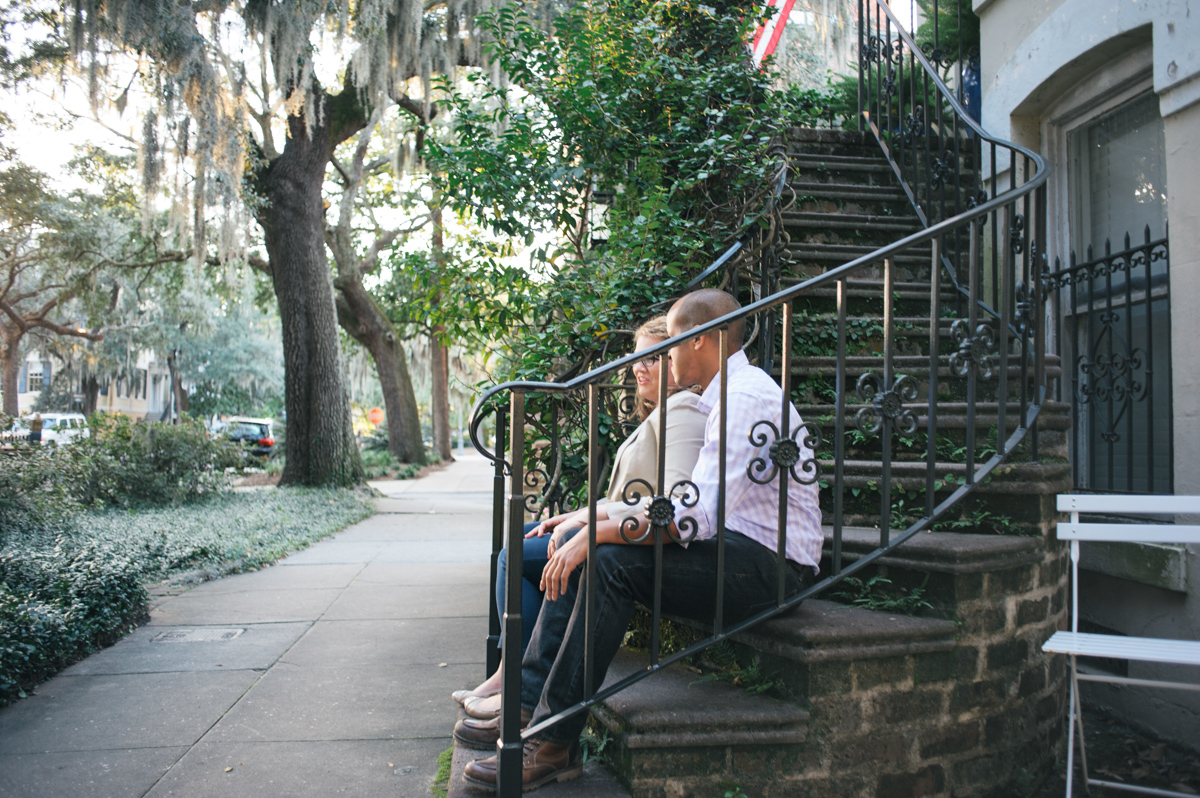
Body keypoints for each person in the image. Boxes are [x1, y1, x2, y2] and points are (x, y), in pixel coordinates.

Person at [461, 289, 823, 791]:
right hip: (739, 551)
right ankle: (531, 716)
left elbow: (696, 517)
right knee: (595, 552)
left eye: (672, 342)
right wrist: (592, 530)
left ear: (703, 340)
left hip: (771, 569)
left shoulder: (742, 399)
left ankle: (550, 741)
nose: (667, 355)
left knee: (608, 559)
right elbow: (693, 506)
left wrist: (598, 534)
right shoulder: (729, 393)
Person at [451, 315, 707, 731]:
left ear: (679, 361)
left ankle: (516, 682)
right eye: (636, 357)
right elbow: (633, 496)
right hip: (624, 526)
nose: (638, 367)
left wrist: (590, 524)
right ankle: (512, 676)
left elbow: (671, 502)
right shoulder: (665, 412)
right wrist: (578, 514)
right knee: (519, 547)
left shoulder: (684, 412)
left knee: (514, 556)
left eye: (653, 358)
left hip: (639, 542)